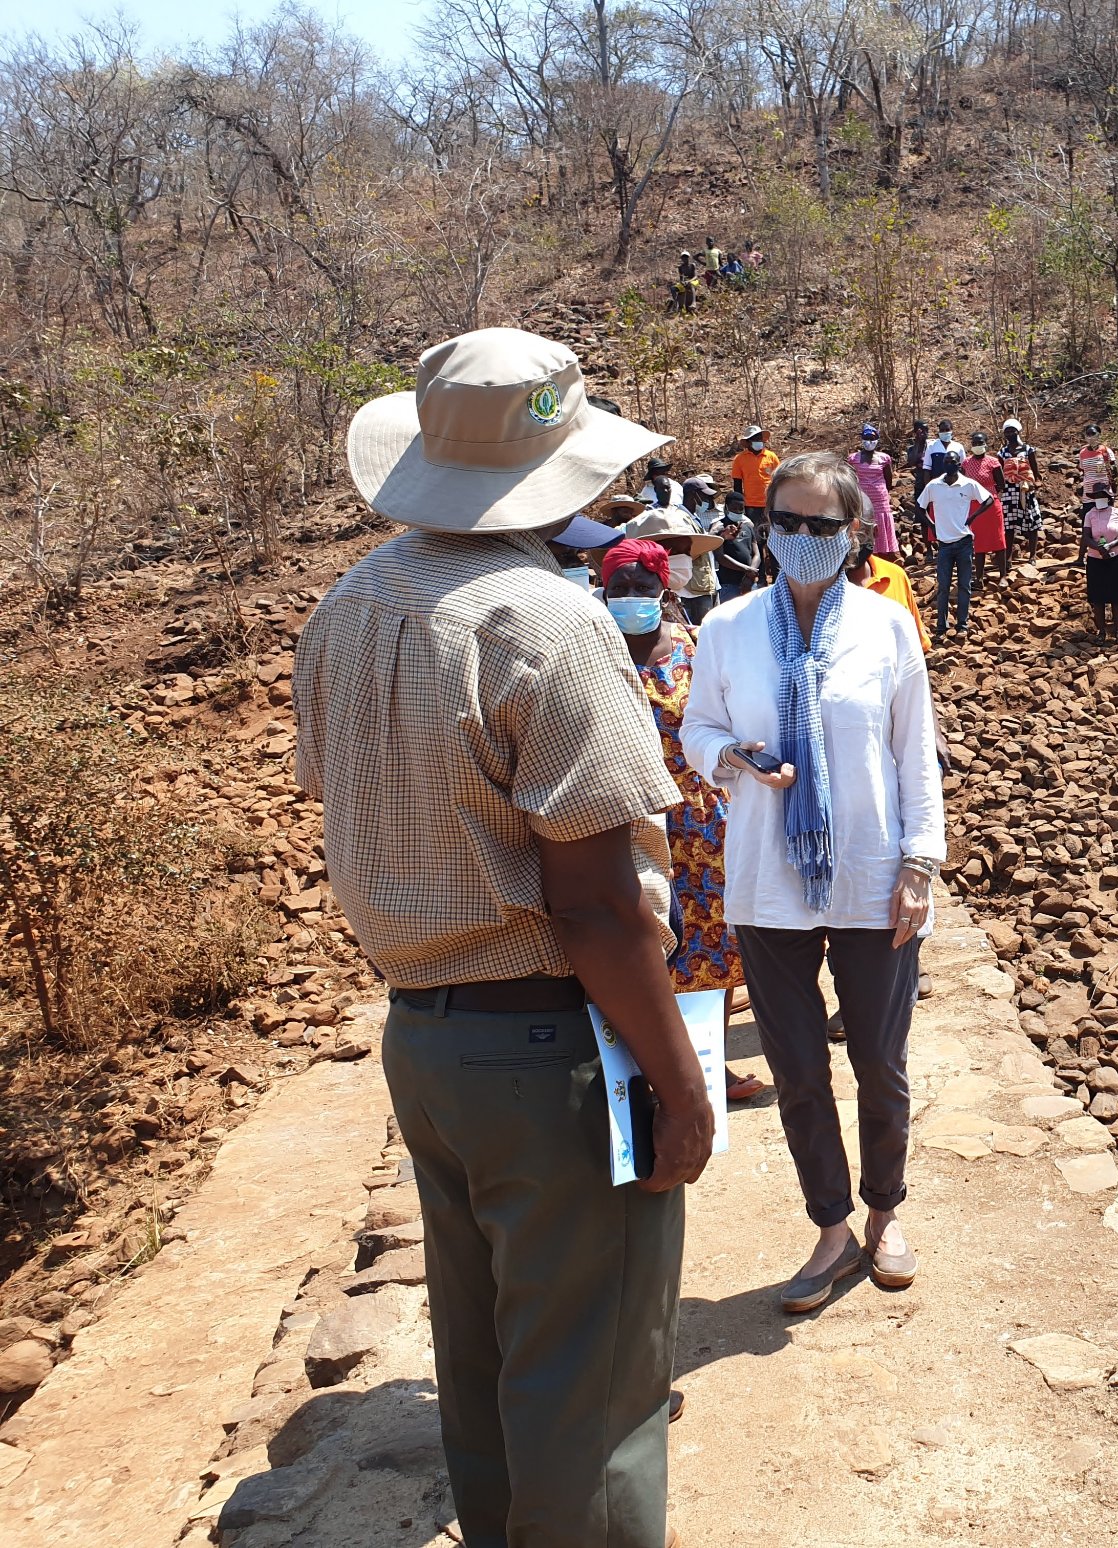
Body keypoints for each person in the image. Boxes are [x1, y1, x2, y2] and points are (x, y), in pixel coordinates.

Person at [295, 328, 711, 1548]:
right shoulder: (549, 623)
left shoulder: (353, 602)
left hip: (425, 1039)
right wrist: (680, 1089)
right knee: (592, 1377)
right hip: (549, 1049)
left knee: (480, 1353)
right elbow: (592, 907)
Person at [681, 451, 945, 1314]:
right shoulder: (727, 627)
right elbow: (698, 726)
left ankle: (883, 1214)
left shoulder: (885, 625)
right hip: (768, 878)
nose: (798, 538)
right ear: (766, 527)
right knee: (797, 1068)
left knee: (879, 1061)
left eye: (818, 526)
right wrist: (733, 760)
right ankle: (830, 1228)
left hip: (871, 873)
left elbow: (914, 750)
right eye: (784, 522)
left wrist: (918, 863)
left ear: (850, 535)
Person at [600, 537, 765, 1104]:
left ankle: (709, 1072)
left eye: (640, 587)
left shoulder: (694, 650)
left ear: (662, 589)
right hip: (625, 819)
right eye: (618, 587)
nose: (629, 597)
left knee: (711, 943)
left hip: (700, 819)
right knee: (638, 944)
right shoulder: (593, 658)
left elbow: (726, 721)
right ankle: (642, 1076)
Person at [916, 452, 989, 640]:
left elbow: (988, 499)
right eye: (946, 462)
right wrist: (931, 524)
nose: (950, 465)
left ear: (959, 464)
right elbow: (919, 506)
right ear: (943, 464)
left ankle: (962, 625)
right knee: (943, 586)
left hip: (964, 542)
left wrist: (973, 516)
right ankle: (941, 626)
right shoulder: (934, 485)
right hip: (944, 545)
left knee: (964, 586)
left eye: (953, 462)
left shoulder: (968, 484)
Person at [625, 504, 720, 626]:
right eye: (674, 552)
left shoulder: (671, 599)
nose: (684, 559)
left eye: (687, 552)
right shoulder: (630, 608)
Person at [848, 517, 929, 648]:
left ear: (874, 532)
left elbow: (917, 645)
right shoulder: (817, 587)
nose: (853, 541)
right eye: (845, 530)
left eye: (860, 532)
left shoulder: (895, 575)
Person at [731, 424, 781, 582]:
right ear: (748, 442)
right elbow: (737, 485)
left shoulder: (771, 457)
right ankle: (759, 576)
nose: (758, 441)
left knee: (774, 542)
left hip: (770, 507)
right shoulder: (740, 459)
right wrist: (741, 509)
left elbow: (778, 481)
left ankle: (778, 576)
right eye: (755, 439)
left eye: (760, 438)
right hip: (751, 507)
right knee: (757, 543)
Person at [1078, 485, 1118, 643]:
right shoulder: (1090, 514)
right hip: (1095, 560)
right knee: (1098, 597)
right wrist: (1098, 548)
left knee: (1116, 596)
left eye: (1102, 495)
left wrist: (1110, 545)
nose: (1100, 497)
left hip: (1115, 558)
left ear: (1108, 497)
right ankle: (1101, 631)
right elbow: (1086, 536)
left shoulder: (1116, 512)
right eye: (1097, 495)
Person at [961, 431, 1008, 590]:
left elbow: (1001, 484)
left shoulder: (993, 462)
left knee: (998, 539)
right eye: (974, 443)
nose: (977, 446)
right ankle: (979, 578)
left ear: (986, 443)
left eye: (980, 443)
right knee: (978, 542)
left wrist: (991, 495)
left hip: (991, 504)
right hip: (974, 506)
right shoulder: (966, 463)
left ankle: (1003, 576)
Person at [848, 424, 900, 557]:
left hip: (880, 500)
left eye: (872, 439)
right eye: (866, 438)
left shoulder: (884, 458)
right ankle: (866, 553)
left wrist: (882, 491)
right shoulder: (853, 459)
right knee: (864, 522)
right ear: (862, 439)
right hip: (862, 499)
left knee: (881, 525)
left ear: (877, 440)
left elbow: (888, 480)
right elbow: (850, 477)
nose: (869, 442)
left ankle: (884, 553)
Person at [997, 417, 1043, 560]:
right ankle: (1008, 556)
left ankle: (1033, 555)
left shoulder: (1028, 450)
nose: (1010, 434)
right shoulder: (1002, 453)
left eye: (1013, 431)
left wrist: (1036, 484)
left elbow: (1036, 471)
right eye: (1007, 432)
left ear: (1018, 431)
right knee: (1009, 524)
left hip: (1025, 489)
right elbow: (999, 473)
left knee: (1031, 521)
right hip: (1009, 491)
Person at [713, 500, 760, 602]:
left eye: (740, 509)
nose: (738, 511)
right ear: (726, 508)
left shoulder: (748, 526)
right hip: (728, 583)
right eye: (734, 508)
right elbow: (720, 556)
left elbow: (756, 554)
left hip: (750, 583)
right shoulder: (719, 527)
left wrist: (749, 574)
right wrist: (746, 569)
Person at [1076, 423, 1118, 499]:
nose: (1091, 436)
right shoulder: (1082, 453)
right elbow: (1084, 471)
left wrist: (1114, 489)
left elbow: (1114, 471)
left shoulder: (1106, 451)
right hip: (1088, 494)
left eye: (1093, 433)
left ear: (1099, 435)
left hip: (1104, 492)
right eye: (1088, 434)